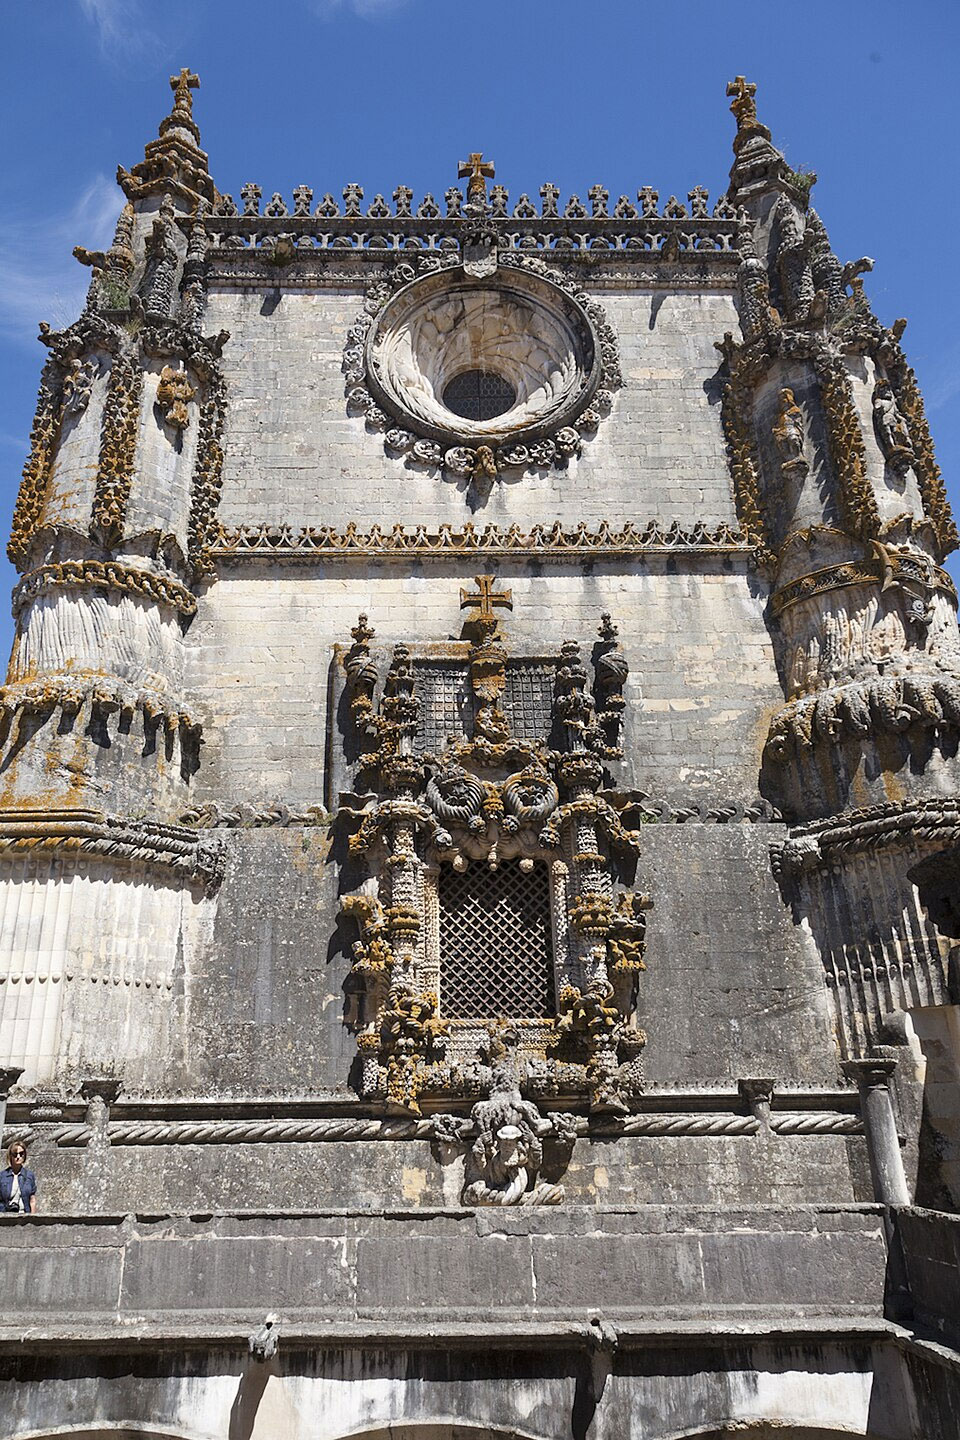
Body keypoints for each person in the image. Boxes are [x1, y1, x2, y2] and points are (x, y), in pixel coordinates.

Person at [0, 1141, 37, 1215]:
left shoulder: (29, 1175)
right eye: (15, 1154)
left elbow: (32, 1199)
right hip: (5, 1215)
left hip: (24, 1215)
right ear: (10, 1156)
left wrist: (32, 1217)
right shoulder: (2, 1176)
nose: (18, 1157)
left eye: (21, 1153)